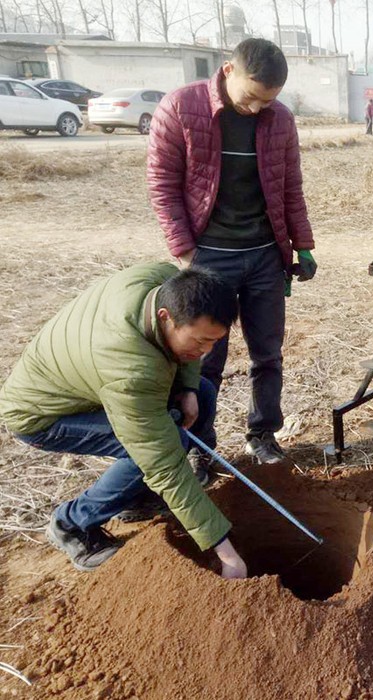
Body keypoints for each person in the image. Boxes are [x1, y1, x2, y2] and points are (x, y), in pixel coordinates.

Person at [0, 263, 247, 579]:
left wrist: (187, 385)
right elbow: (161, 461)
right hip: (41, 414)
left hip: (87, 381)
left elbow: (184, 358)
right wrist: (226, 554)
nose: (206, 351)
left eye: (214, 341)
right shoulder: (130, 370)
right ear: (164, 317)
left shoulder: (164, 281)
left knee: (204, 392)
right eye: (199, 342)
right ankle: (72, 524)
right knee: (159, 447)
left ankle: (138, 497)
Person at [147, 38, 316, 466]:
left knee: (268, 353)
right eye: (251, 97)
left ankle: (262, 435)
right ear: (228, 71)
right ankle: (202, 450)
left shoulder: (280, 120)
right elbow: (162, 186)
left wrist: (304, 245)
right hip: (208, 257)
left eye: (268, 101)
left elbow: (290, 187)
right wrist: (185, 252)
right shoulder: (182, 108)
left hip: (264, 256)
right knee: (204, 358)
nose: (258, 109)